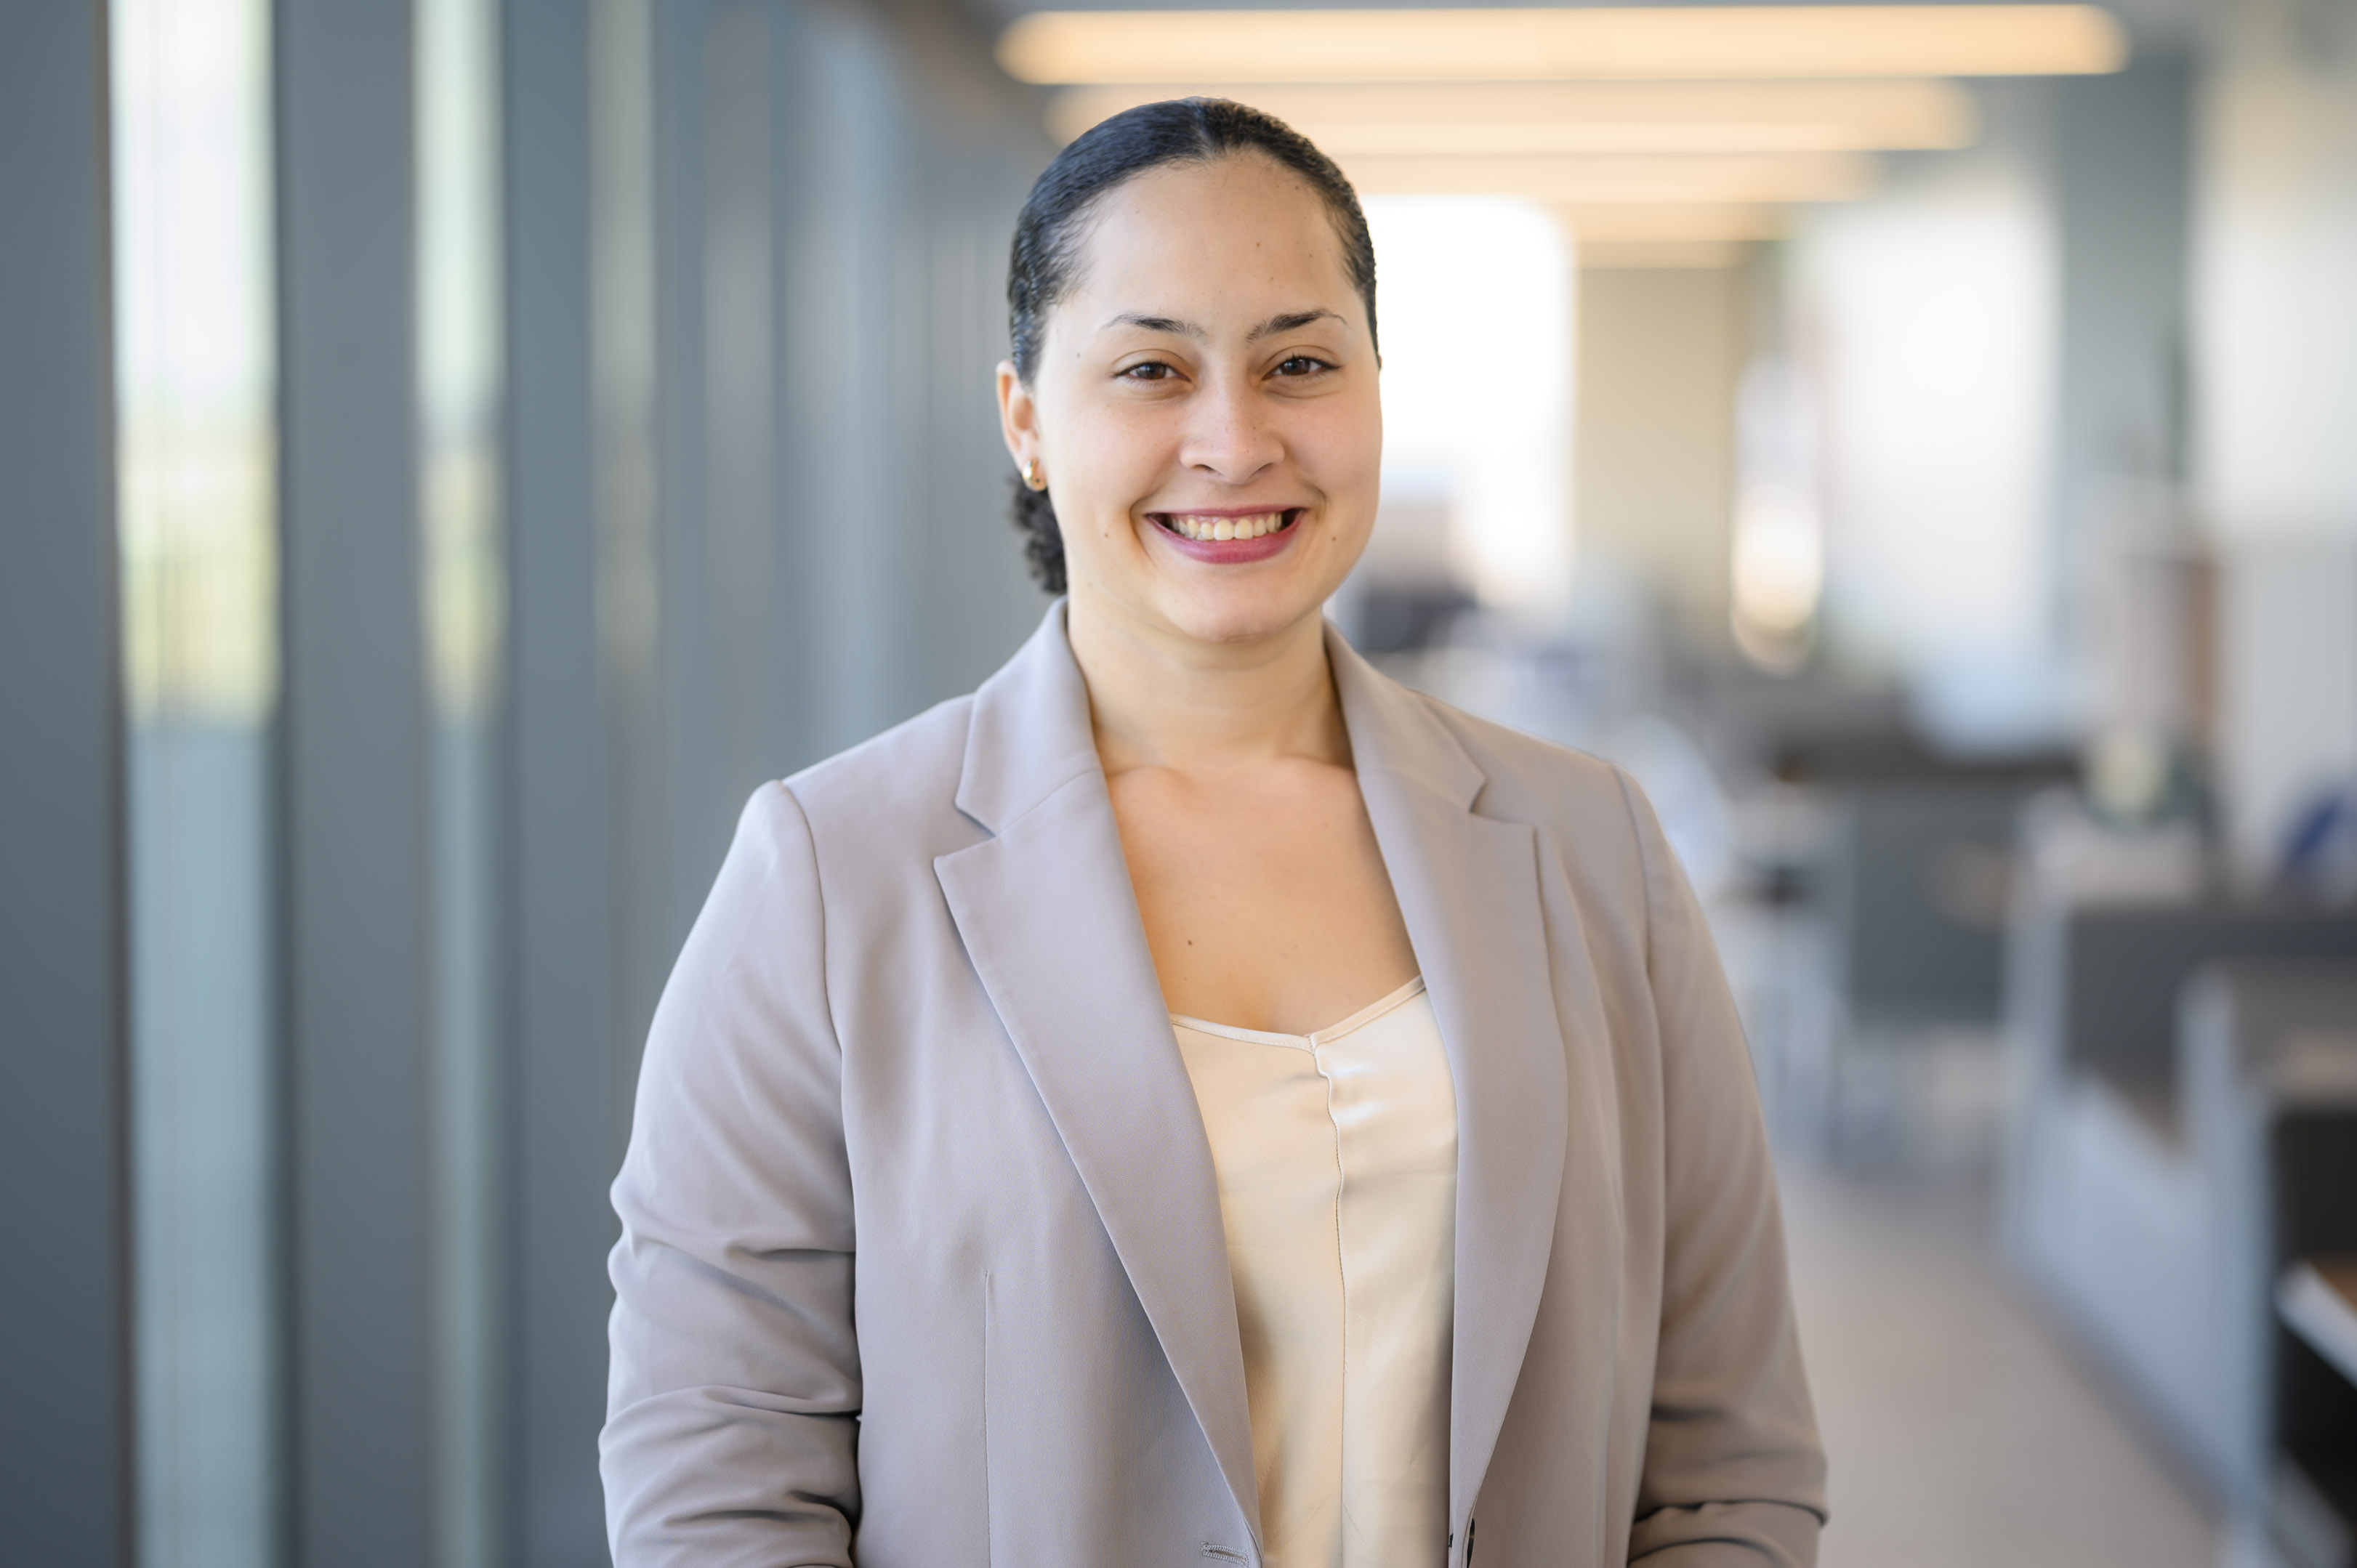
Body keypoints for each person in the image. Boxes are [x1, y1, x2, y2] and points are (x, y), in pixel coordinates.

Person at [601, 98, 1825, 1567]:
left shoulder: (1592, 847)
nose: (1233, 439)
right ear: (1027, 420)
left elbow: (1725, 1454)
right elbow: (719, 1482)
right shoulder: (826, 878)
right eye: (1149, 368)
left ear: (1374, 387)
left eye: (1298, 361)